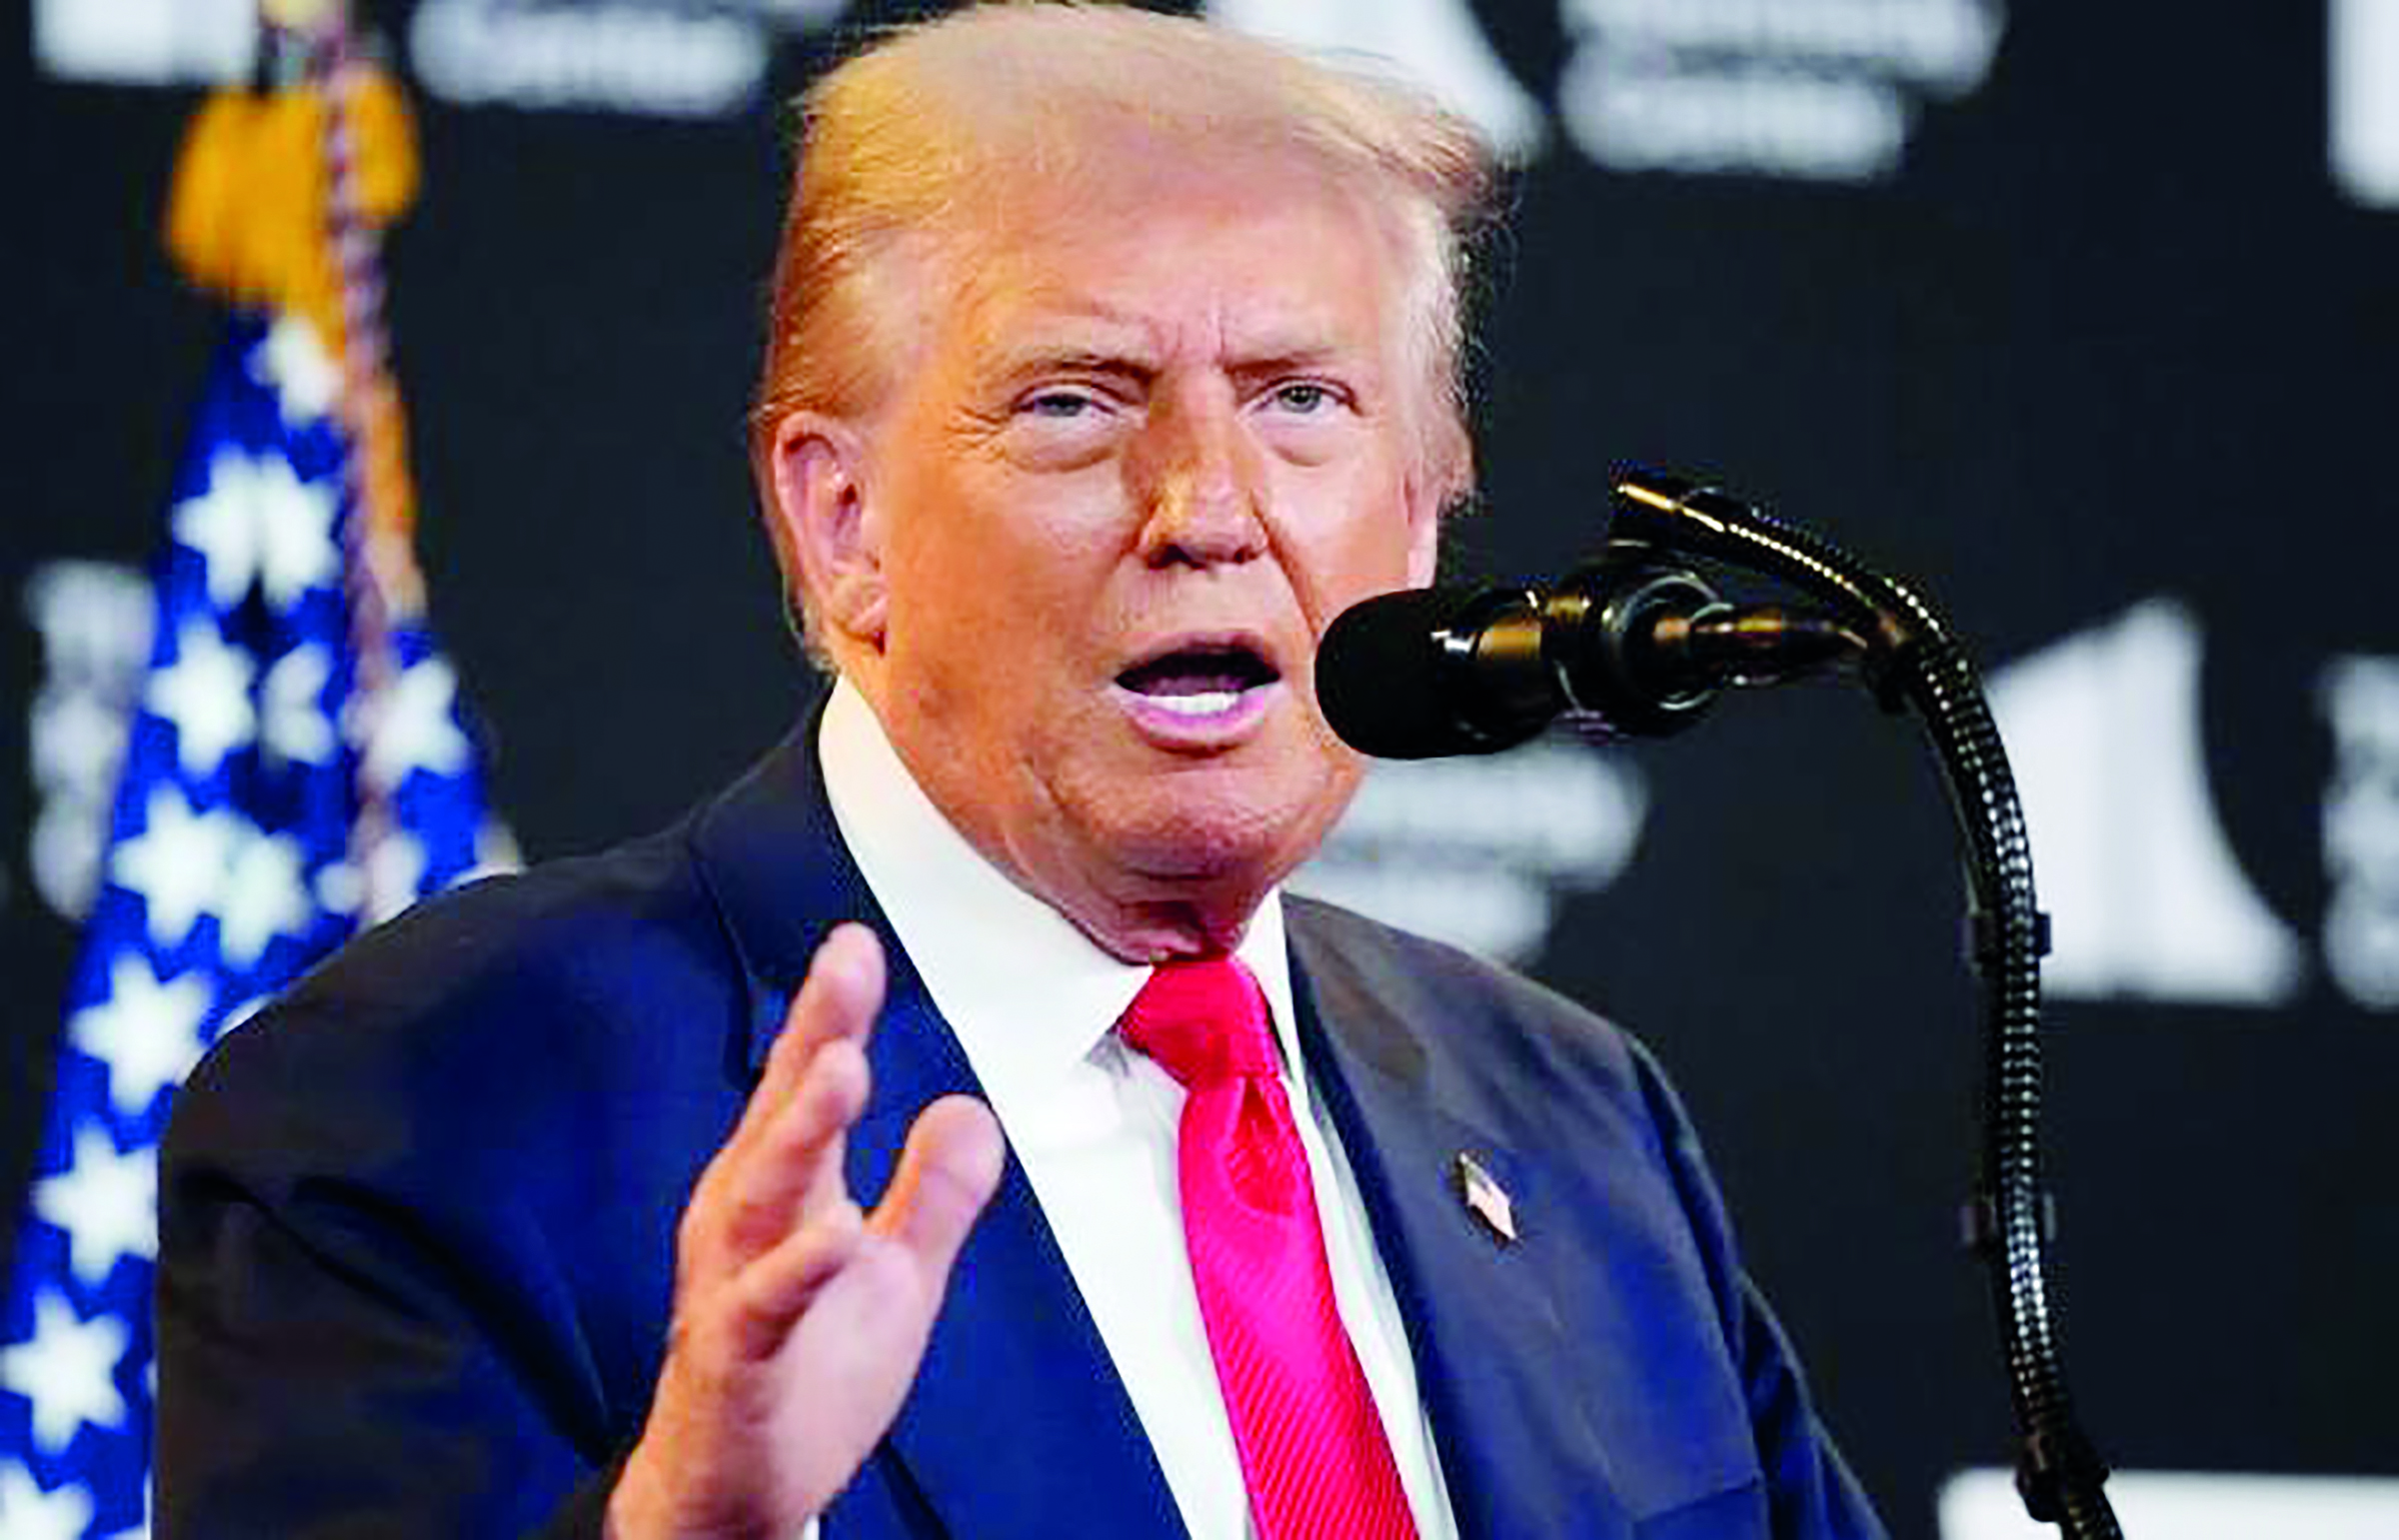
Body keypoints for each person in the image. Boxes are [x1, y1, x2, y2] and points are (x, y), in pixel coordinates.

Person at [155, 6, 1887, 1538]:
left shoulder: (1576, 1123)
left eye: (1301, 400)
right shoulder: (436, 1106)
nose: (1209, 509)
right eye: (1076, 400)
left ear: (1423, 521)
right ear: (844, 526)